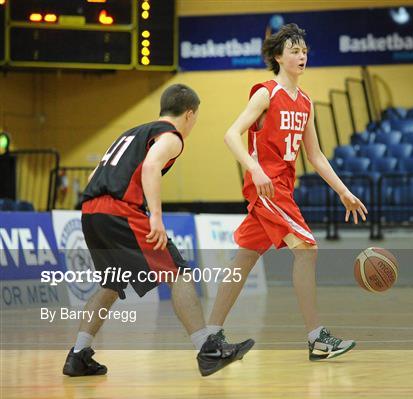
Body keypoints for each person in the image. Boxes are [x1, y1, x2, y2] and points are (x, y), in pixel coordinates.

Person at [62, 84, 254, 378]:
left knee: (111, 284)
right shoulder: (171, 137)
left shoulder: (131, 133)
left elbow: (93, 175)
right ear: (189, 114)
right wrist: (156, 217)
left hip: (91, 211)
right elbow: (151, 167)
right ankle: (208, 350)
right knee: (178, 273)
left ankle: (78, 355)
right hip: (120, 211)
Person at [207, 24, 368, 360]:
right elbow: (231, 135)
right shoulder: (266, 93)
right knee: (307, 249)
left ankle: (209, 338)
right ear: (278, 57)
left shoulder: (306, 101)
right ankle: (316, 338)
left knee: (245, 258)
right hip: (267, 187)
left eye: (305, 50)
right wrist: (255, 169)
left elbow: (316, 156)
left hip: (283, 189)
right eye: (294, 50)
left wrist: (343, 191)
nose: (302, 55)